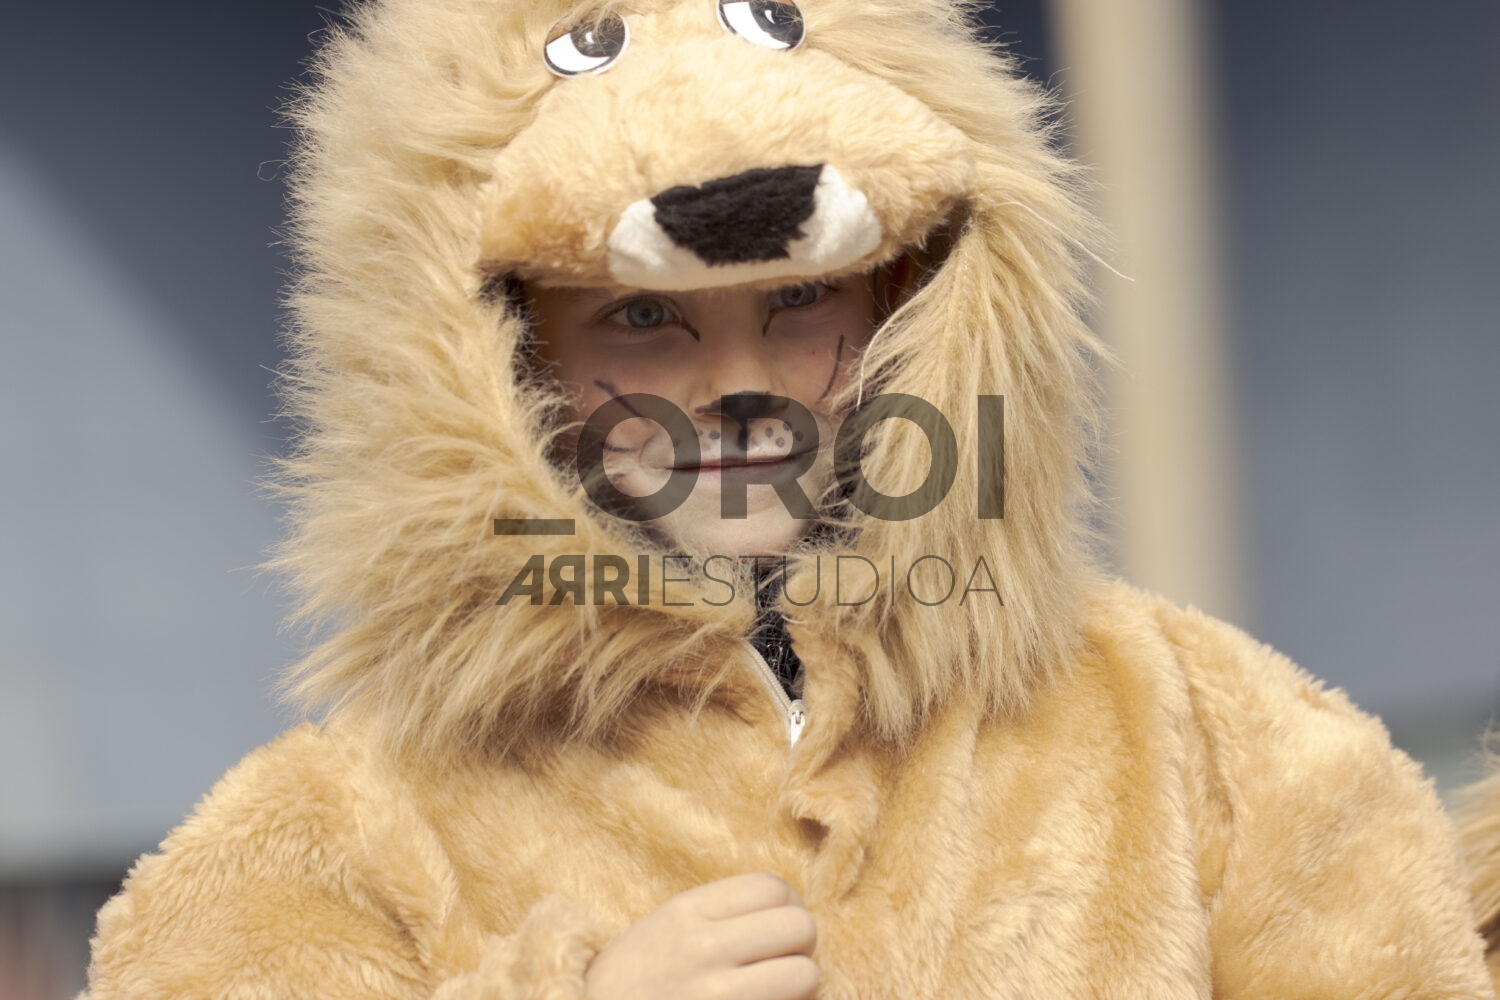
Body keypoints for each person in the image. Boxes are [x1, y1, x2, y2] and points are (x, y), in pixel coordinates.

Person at [83, 1, 1495, 998]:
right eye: (644, 319)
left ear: (909, 306)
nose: (739, 386)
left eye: (802, 301)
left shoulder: (1202, 731)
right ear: (502, 359)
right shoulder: (340, 831)